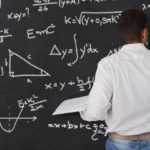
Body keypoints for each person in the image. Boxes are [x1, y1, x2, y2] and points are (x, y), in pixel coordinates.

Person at [80, 9, 150, 150]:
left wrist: (85, 112)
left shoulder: (108, 65)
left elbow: (96, 112)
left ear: (123, 35)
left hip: (120, 144)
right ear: (144, 33)